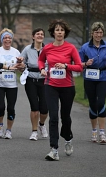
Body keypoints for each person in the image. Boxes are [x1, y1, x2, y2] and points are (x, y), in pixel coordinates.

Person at [38, 19, 83, 161]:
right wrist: (42, 69)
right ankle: (54, 149)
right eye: (57, 30)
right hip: (50, 85)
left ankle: (68, 139)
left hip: (67, 87)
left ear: (65, 33)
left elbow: (79, 66)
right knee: (53, 117)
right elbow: (40, 60)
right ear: (53, 32)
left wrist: (65, 66)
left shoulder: (70, 48)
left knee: (65, 117)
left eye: (62, 30)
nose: (59, 32)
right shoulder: (47, 48)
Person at [79, 22, 106, 145]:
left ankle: (102, 132)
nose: (99, 35)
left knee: (101, 102)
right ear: (92, 33)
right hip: (90, 78)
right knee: (93, 104)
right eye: (96, 32)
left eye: (101, 32)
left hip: (103, 77)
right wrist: (85, 64)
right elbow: (79, 63)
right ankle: (94, 131)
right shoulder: (85, 47)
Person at [0, 28, 24, 140]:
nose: (7, 39)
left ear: (12, 39)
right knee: (1, 107)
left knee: (11, 108)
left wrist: (20, 66)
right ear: (1, 39)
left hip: (12, 85)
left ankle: (9, 130)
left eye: (9, 37)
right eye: (5, 38)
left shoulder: (16, 52)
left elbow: (21, 68)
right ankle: (0, 125)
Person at [20, 28, 48, 141]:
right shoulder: (27, 49)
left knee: (45, 109)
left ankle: (41, 124)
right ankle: (34, 131)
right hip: (31, 80)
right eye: (38, 34)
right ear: (33, 36)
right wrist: (20, 64)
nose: (40, 36)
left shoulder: (47, 49)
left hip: (44, 80)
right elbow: (21, 63)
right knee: (35, 107)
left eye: (42, 34)